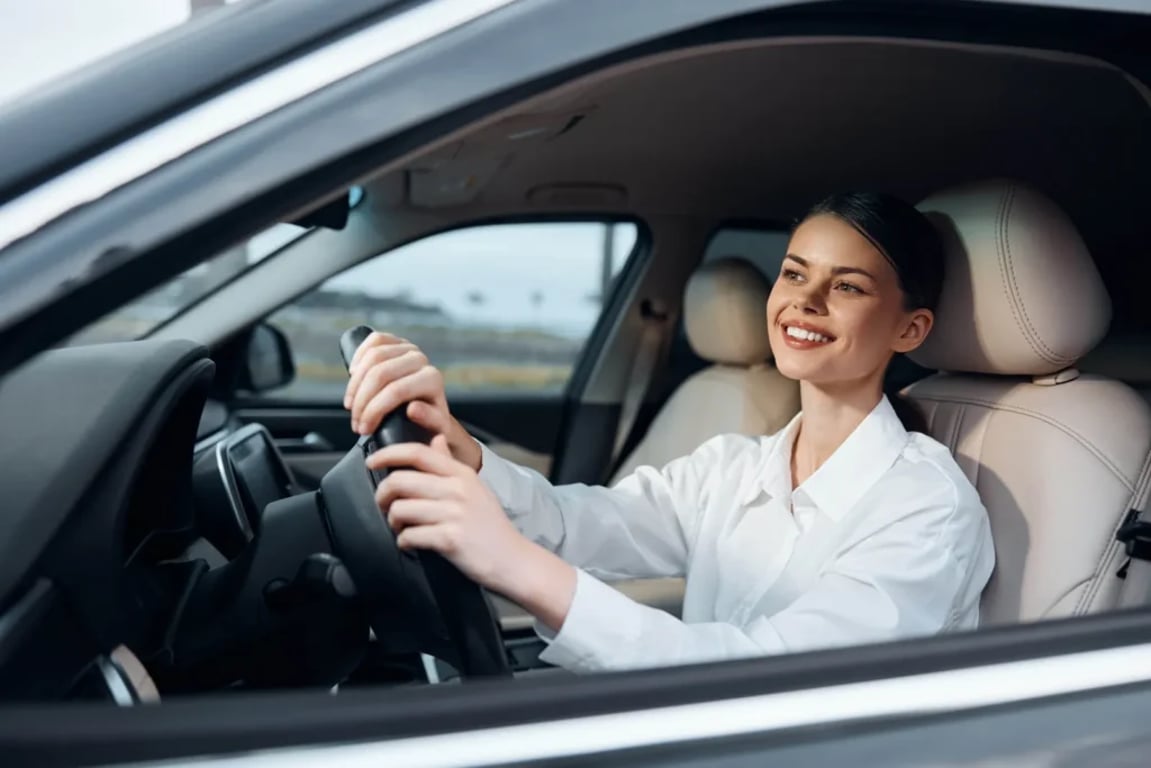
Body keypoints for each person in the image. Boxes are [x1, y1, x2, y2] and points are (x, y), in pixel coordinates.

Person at [342, 192, 995, 673]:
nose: (805, 300)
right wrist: (460, 448)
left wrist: (512, 565)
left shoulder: (925, 509)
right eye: (794, 273)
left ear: (909, 330)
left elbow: (765, 682)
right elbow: (578, 523)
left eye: (846, 287)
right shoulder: (733, 466)